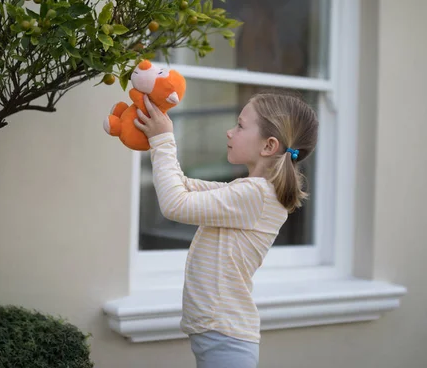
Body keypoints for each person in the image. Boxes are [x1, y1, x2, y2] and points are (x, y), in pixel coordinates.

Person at [134, 90, 319, 368]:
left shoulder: (256, 195)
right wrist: (157, 136)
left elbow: (175, 204)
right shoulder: (248, 191)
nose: (229, 132)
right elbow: (183, 186)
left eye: (241, 126)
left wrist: (163, 140)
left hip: (226, 337)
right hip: (221, 334)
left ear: (269, 146)